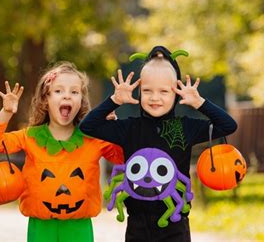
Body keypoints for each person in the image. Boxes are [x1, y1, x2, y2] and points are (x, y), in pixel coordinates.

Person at [79, 46, 238, 242]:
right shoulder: (129, 128)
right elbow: (87, 127)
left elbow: (228, 125)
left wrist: (199, 103)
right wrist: (114, 100)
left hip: (175, 225)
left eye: (164, 91)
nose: (155, 97)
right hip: (137, 226)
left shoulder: (184, 128)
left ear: (176, 93)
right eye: (147, 91)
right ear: (139, 92)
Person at [0, 61, 124, 242]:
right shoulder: (30, 137)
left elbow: (122, 157)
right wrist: (6, 111)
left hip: (79, 226)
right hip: (41, 226)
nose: (67, 96)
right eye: (59, 91)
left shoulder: (93, 139)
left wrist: (111, 127)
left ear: (81, 100)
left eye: (74, 92)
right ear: (46, 99)